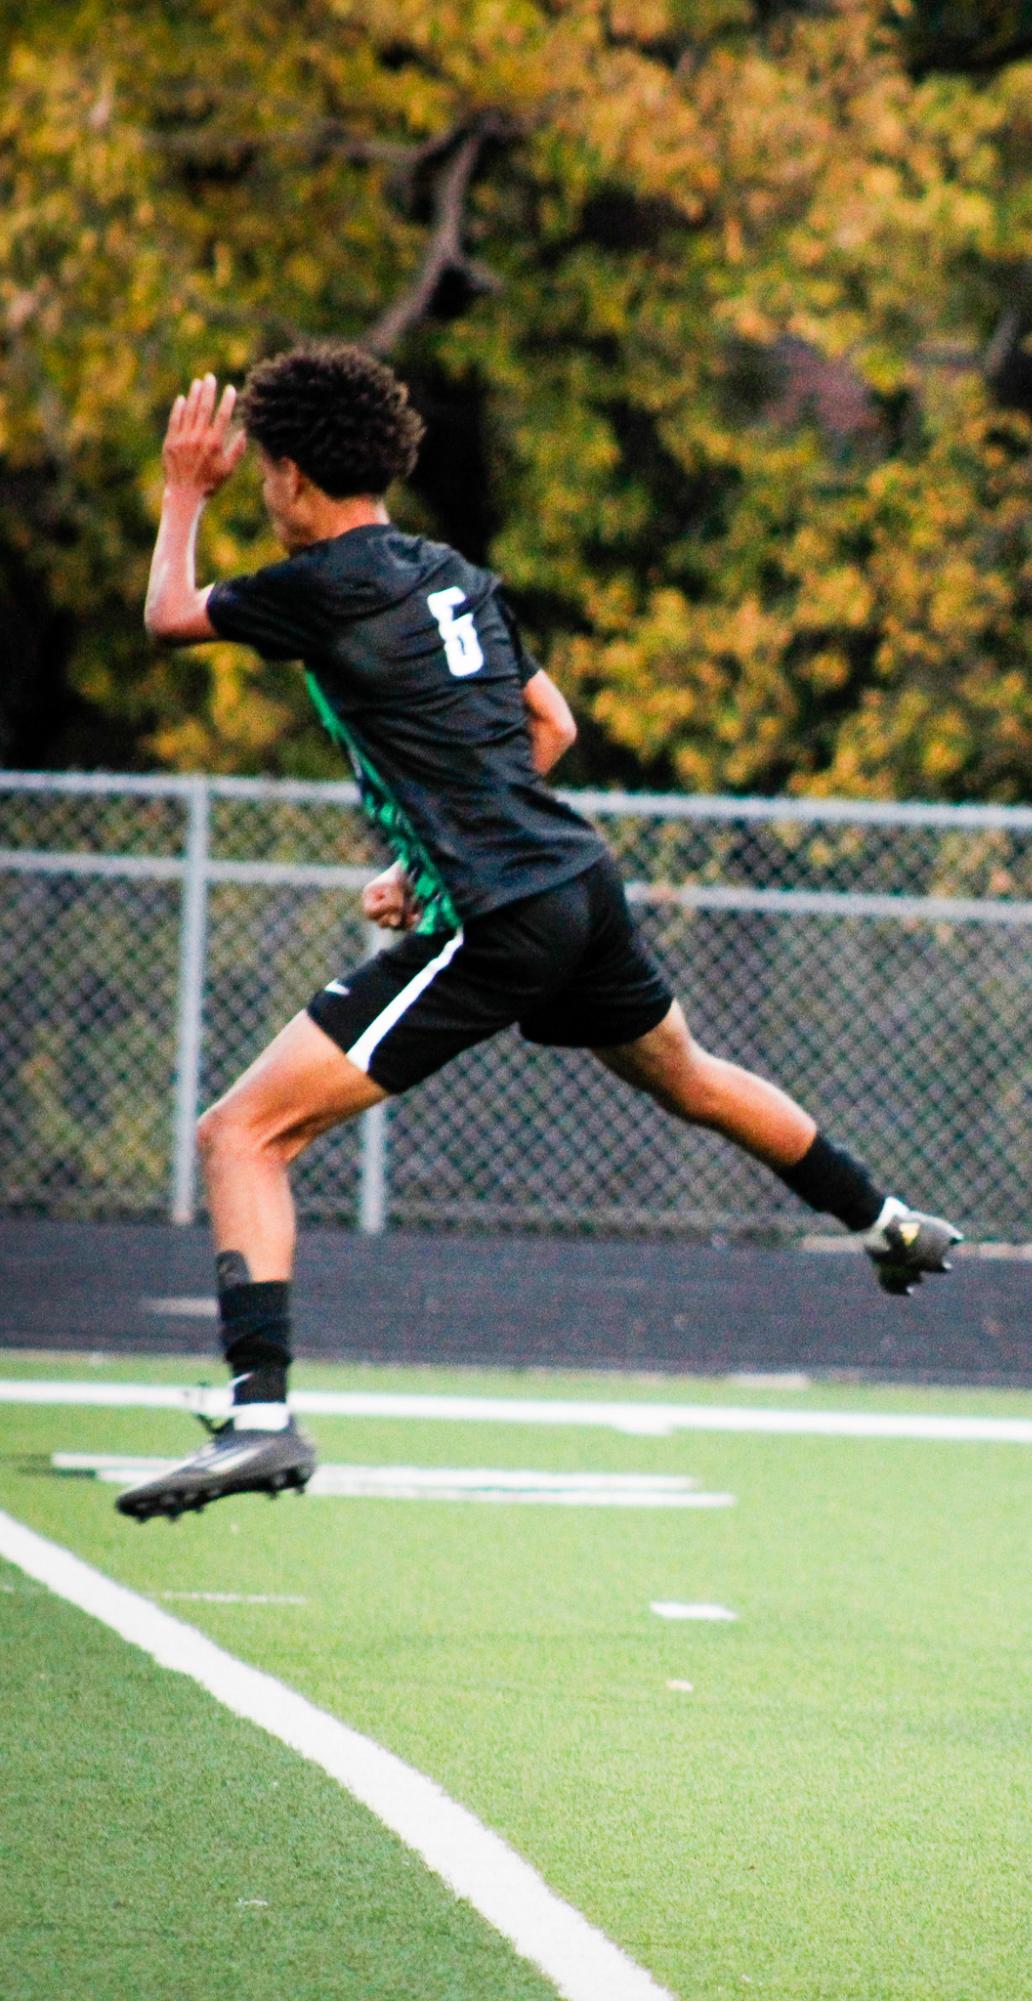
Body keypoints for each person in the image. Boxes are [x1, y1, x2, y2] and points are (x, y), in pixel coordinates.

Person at [118, 344, 960, 1524]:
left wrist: (183, 494)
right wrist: (436, 855)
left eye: (262, 471)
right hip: (575, 882)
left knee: (240, 1134)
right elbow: (547, 723)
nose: (260, 489)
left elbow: (166, 615)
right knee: (691, 1078)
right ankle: (887, 1221)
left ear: (293, 475)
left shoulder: (320, 580)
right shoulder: (450, 573)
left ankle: (260, 1419)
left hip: (504, 915)